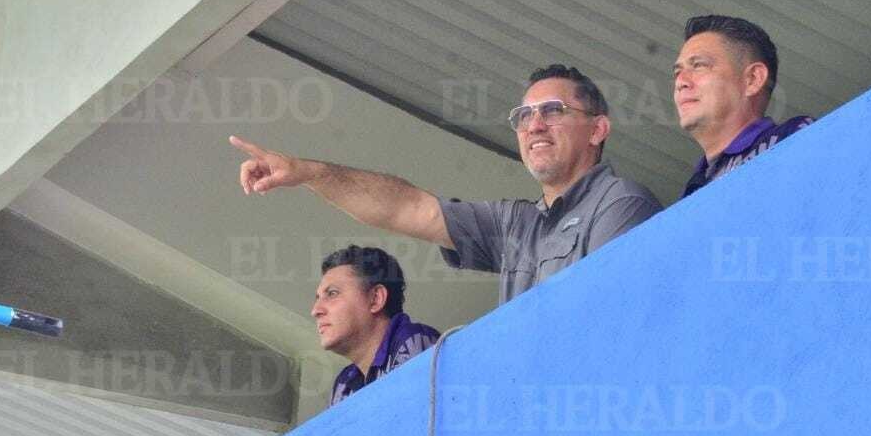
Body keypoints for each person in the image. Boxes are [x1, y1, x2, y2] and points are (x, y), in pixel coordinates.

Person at [232, 64, 661, 305]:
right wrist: (310, 173)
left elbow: (611, 311)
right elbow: (407, 208)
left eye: (552, 111)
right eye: (524, 117)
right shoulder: (517, 223)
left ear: (598, 129)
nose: (535, 126)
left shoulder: (621, 203)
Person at [673, 15, 813, 198]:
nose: (680, 82)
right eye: (677, 72)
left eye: (699, 66)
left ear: (753, 79)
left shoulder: (793, 137)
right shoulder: (693, 189)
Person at [313, 245, 440, 405]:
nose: (315, 310)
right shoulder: (343, 384)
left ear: (376, 299)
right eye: (317, 297)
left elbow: (410, 421)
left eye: (332, 293)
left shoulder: (413, 340)